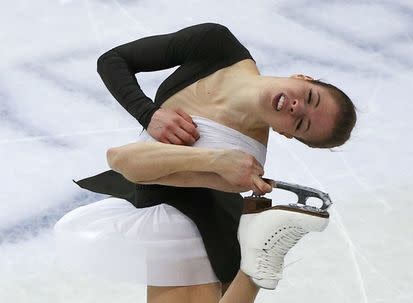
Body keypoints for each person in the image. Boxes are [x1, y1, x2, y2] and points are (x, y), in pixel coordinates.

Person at [54, 22, 356, 303]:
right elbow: (112, 60)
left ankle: (257, 265)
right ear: (304, 78)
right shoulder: (215, 44)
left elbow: (123, 161)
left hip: (189, 227)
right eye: (310, 97)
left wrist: (216, 159)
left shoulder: (244, 159)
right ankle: (257, 263)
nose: (295, 107)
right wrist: (148, 114)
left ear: (286, 134)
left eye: (301, 123)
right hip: (181, 211)